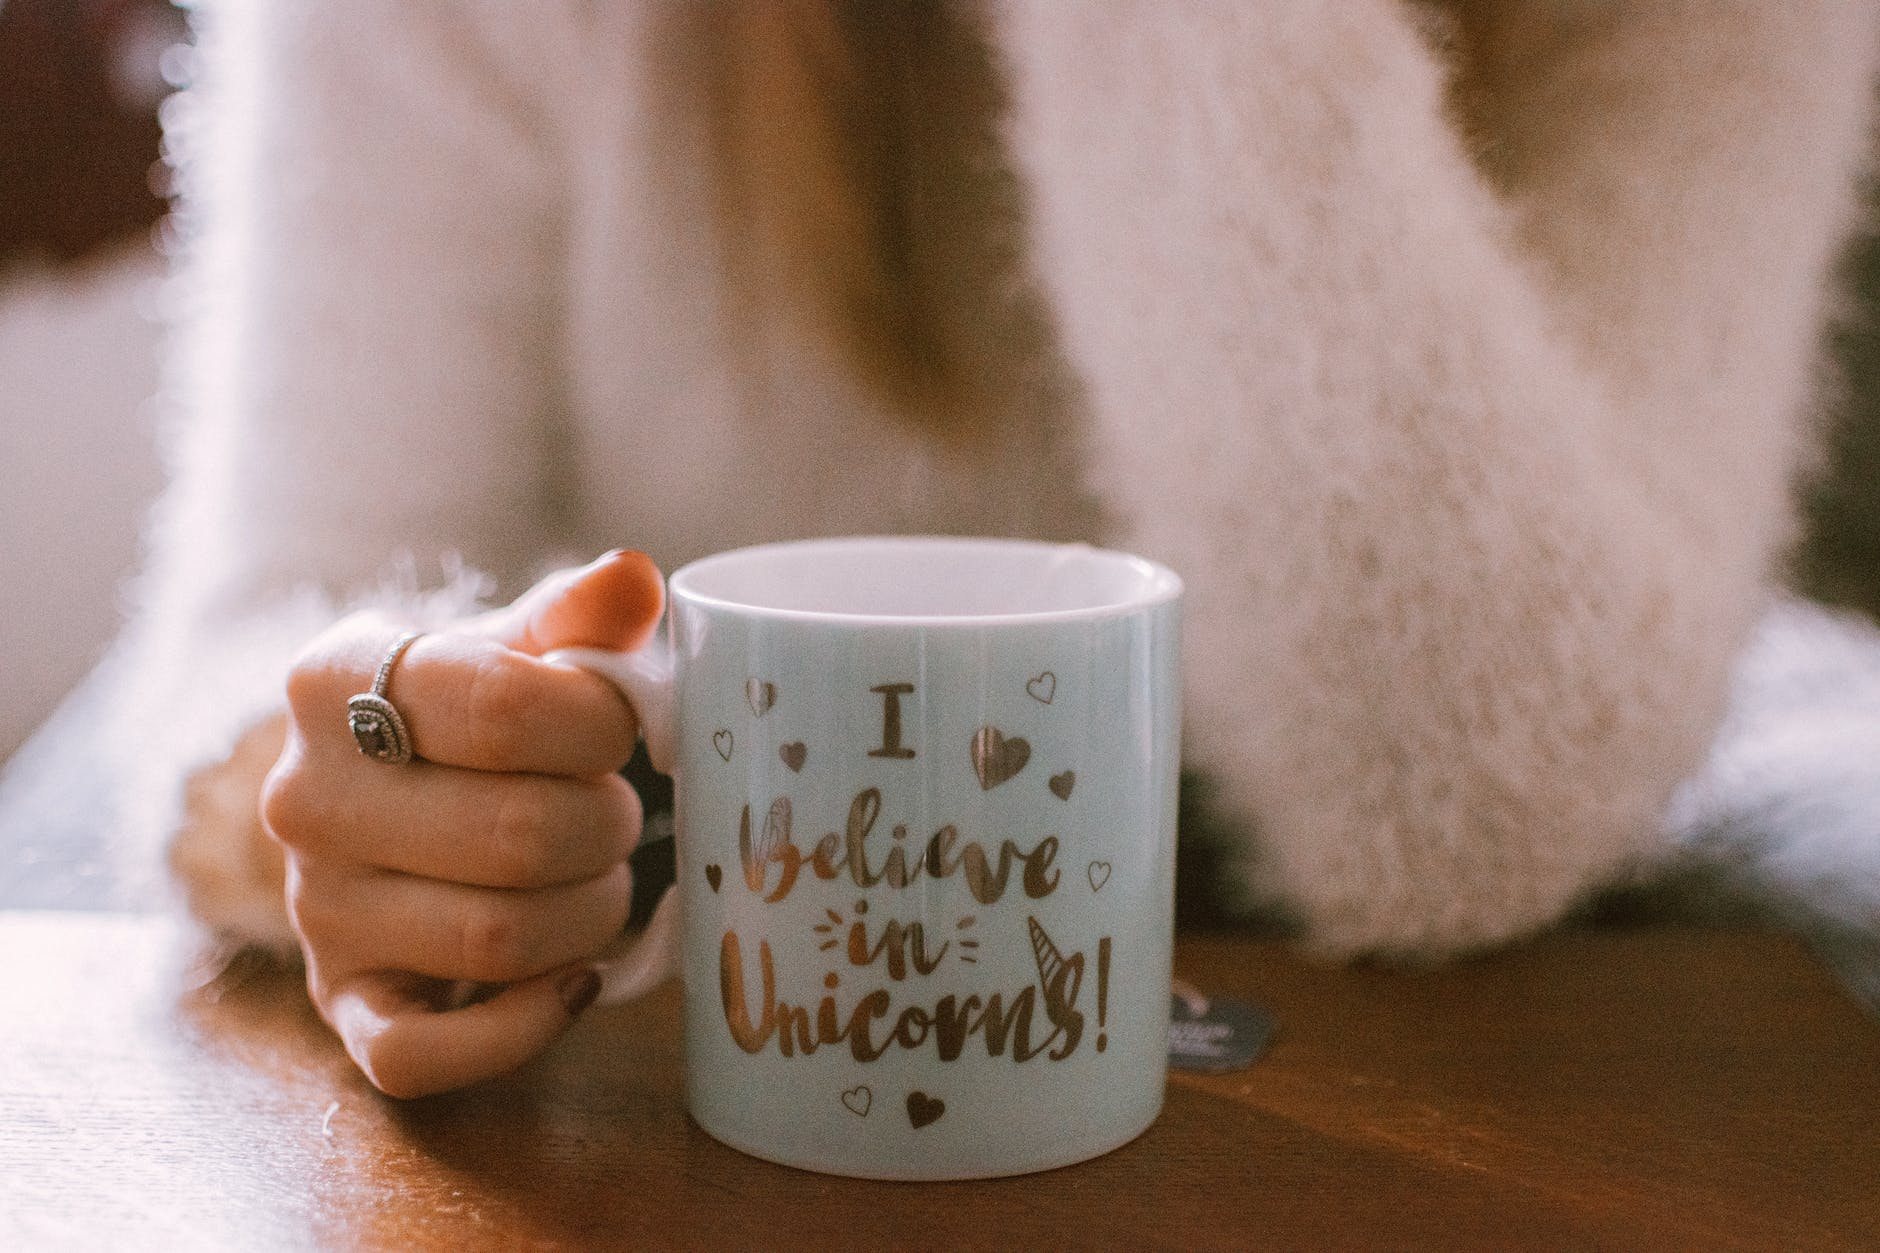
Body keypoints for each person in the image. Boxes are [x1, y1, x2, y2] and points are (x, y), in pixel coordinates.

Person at [10, 1, 1880, 1097]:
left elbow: (1466, 814)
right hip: (677, 854)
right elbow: (276, 598)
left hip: (1534, 804)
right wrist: (389, 767)